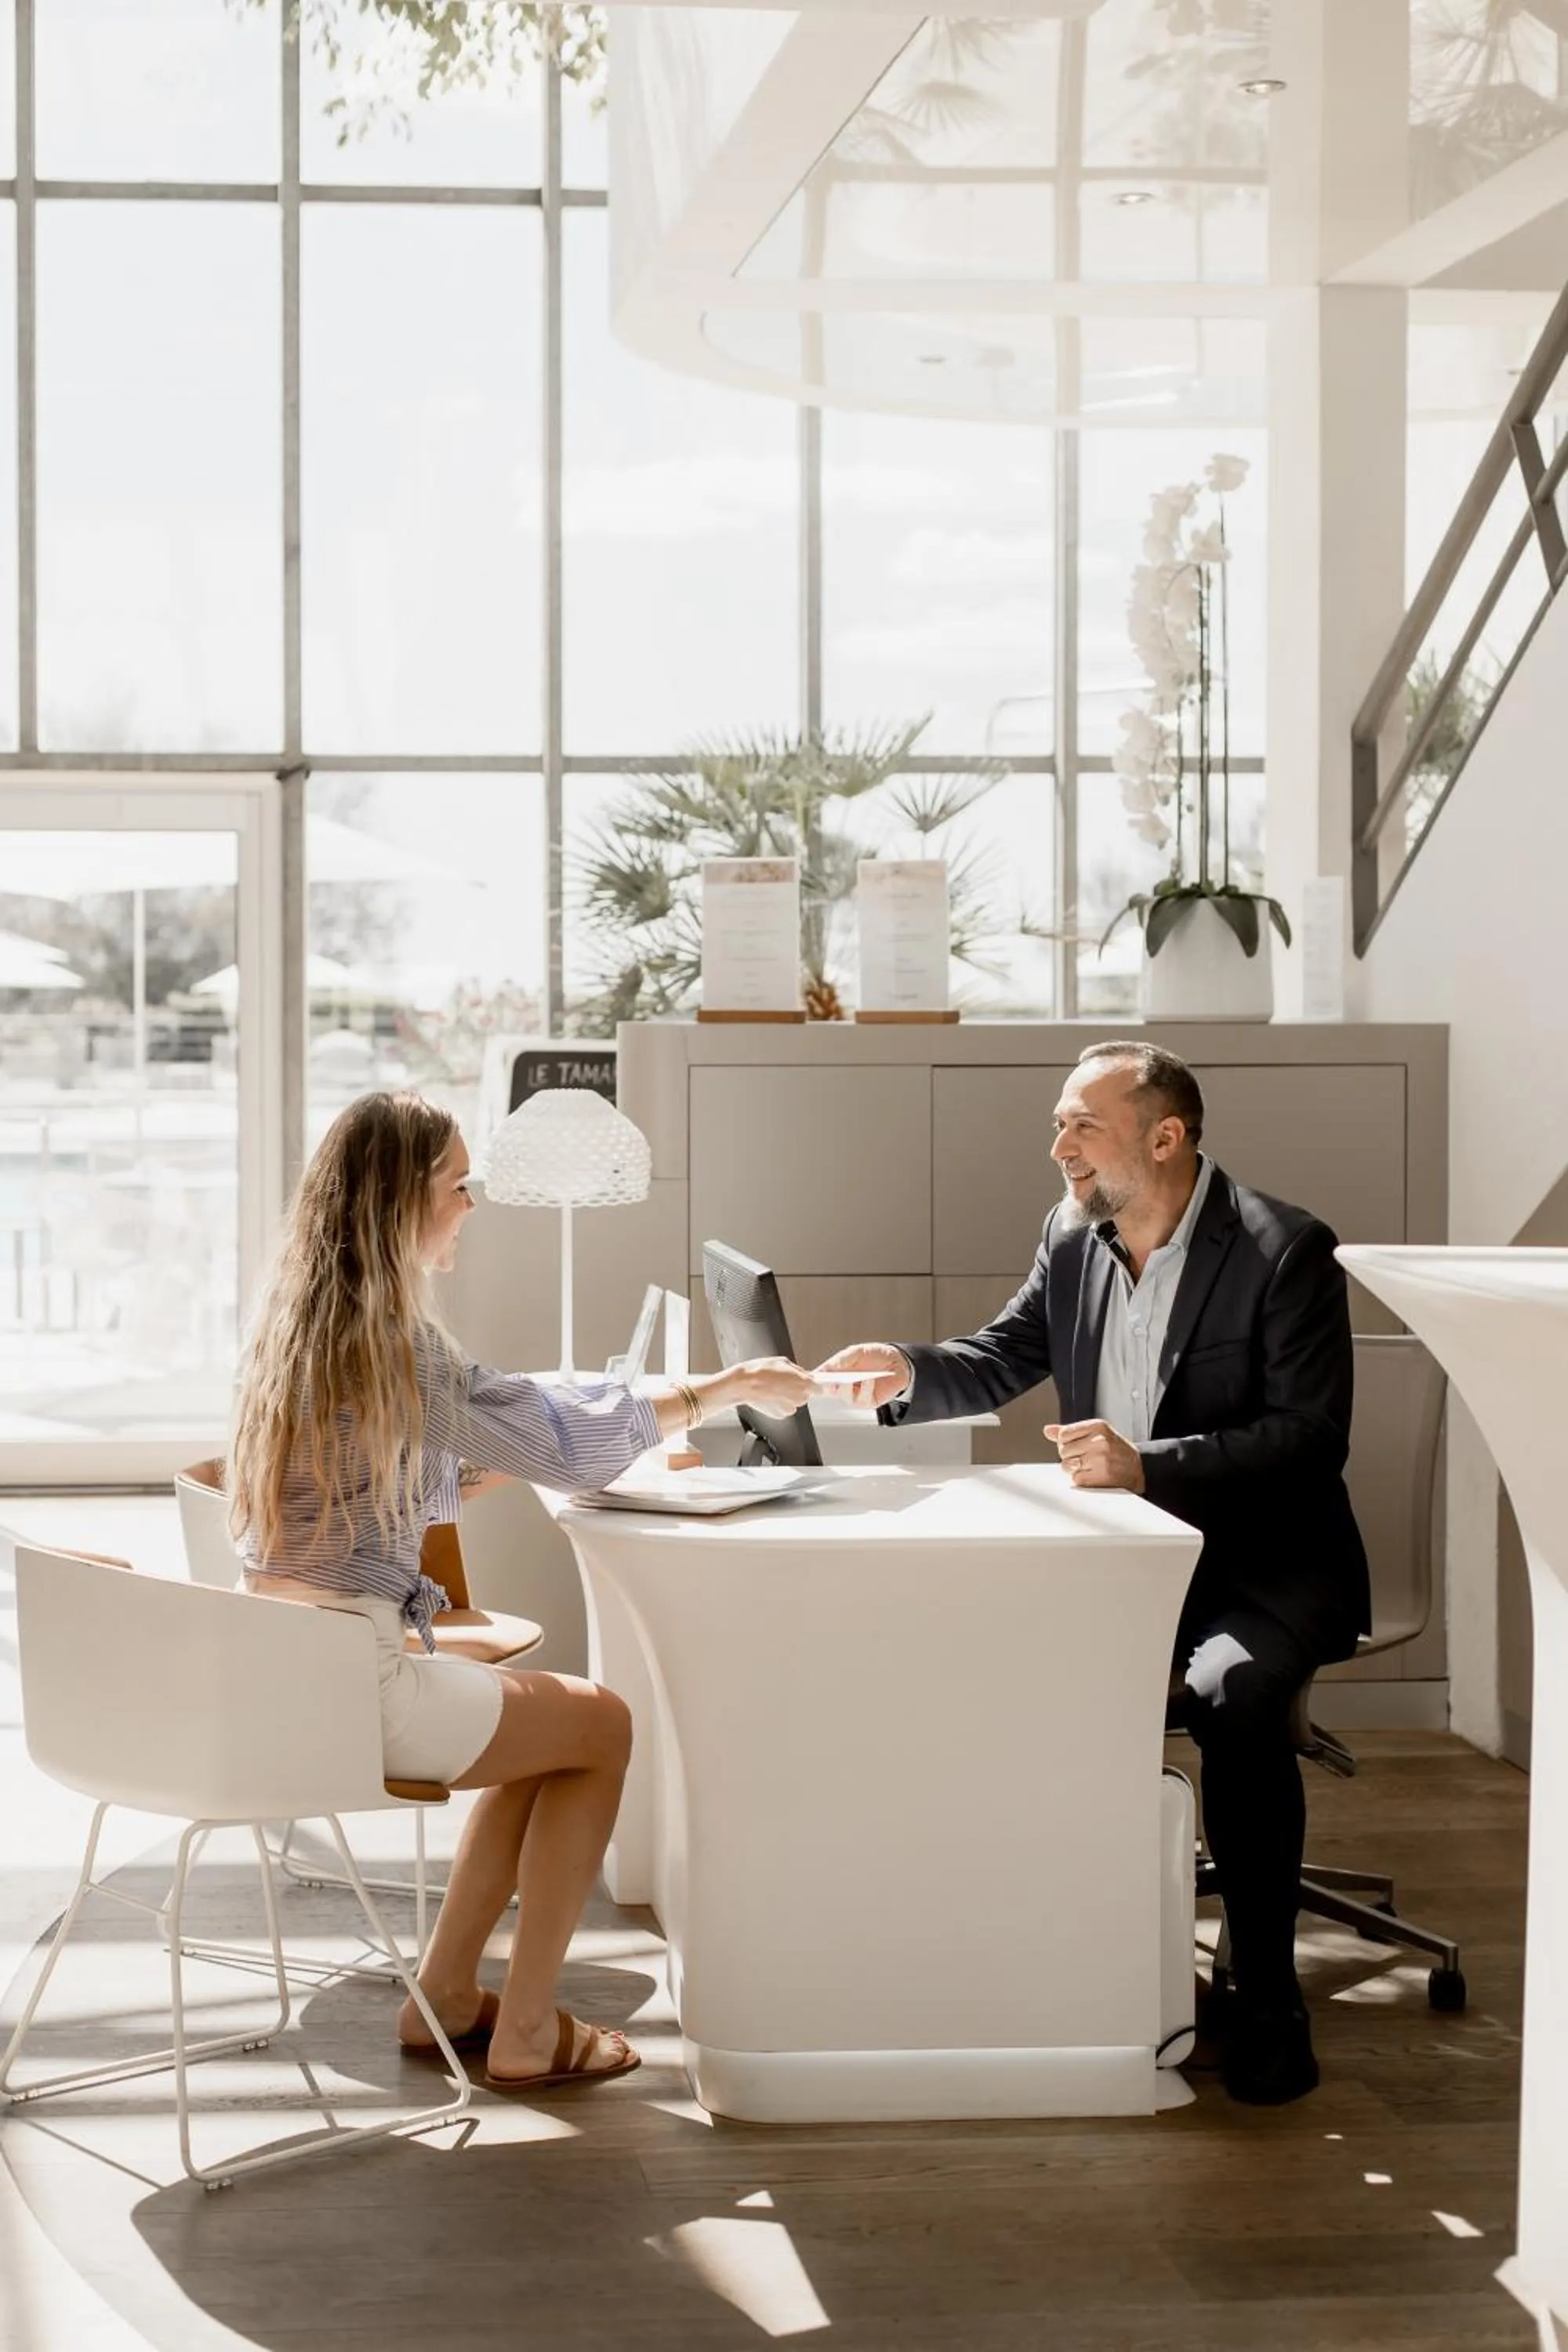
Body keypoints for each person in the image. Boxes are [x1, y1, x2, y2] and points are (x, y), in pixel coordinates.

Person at [229, 1090, 816, 2092]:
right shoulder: (398, 1345)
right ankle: (529, 2030)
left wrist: (513, 1443)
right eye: (459, 1185)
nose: (471, 1205)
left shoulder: (293, 1329)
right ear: (403, 1200)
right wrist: (718, 1392)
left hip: (280, 1672)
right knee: (602, 1726)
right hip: (355, 1685)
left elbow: (439, 1451)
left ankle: (447, 1996)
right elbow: (555, 1442)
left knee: (547, 1731)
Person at [818, 1040, 1369, 2105]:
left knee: (1235, 1697)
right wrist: (902, 1372)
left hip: (1261, 1564)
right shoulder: (1072, 1234)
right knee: (968, 1652)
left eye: (1083, 1124)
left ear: (1165, 1137)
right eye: (1058, 1123)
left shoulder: (1282, 1248)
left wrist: (1146, 1464)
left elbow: (1309, 1440)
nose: (1058, 1145)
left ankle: (1269, 2004)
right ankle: (1041, 1964)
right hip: (1116, 1560)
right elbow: (1002, 1356)